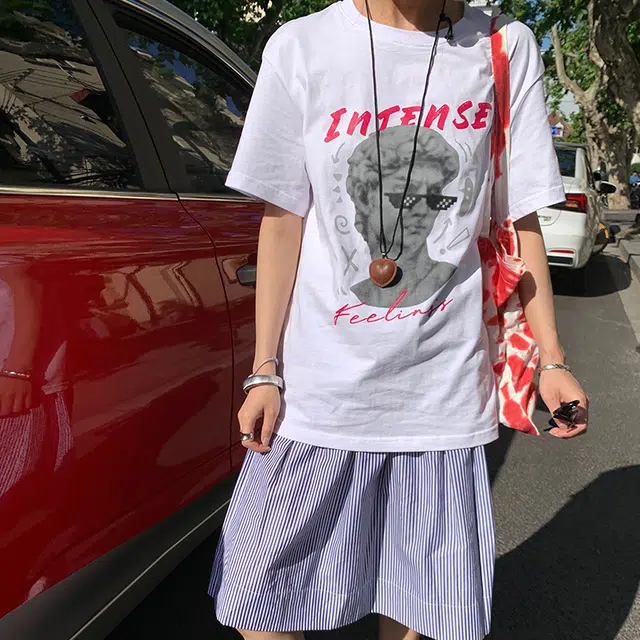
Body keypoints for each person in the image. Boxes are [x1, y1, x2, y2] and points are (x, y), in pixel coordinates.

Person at [209, 1, 589, 639]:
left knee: (419, 610)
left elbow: (518, 218)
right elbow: (282, 222)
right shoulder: (301, 47)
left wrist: (551, 360)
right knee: (261, 597)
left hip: (440, 397)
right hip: (320, 393)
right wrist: (264, 370)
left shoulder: (502, 46)